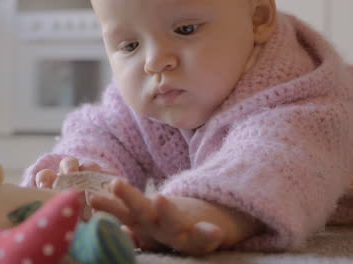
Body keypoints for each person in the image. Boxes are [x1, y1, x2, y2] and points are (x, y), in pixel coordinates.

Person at [21, 0, 353, 256]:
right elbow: (102, 131)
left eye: (186, 30)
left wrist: (203, 210)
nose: (154, 61)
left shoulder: (302, 96)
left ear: (258, 19)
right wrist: (82, 175)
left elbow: (274, 160)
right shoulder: (158, 91)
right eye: (129, 46)